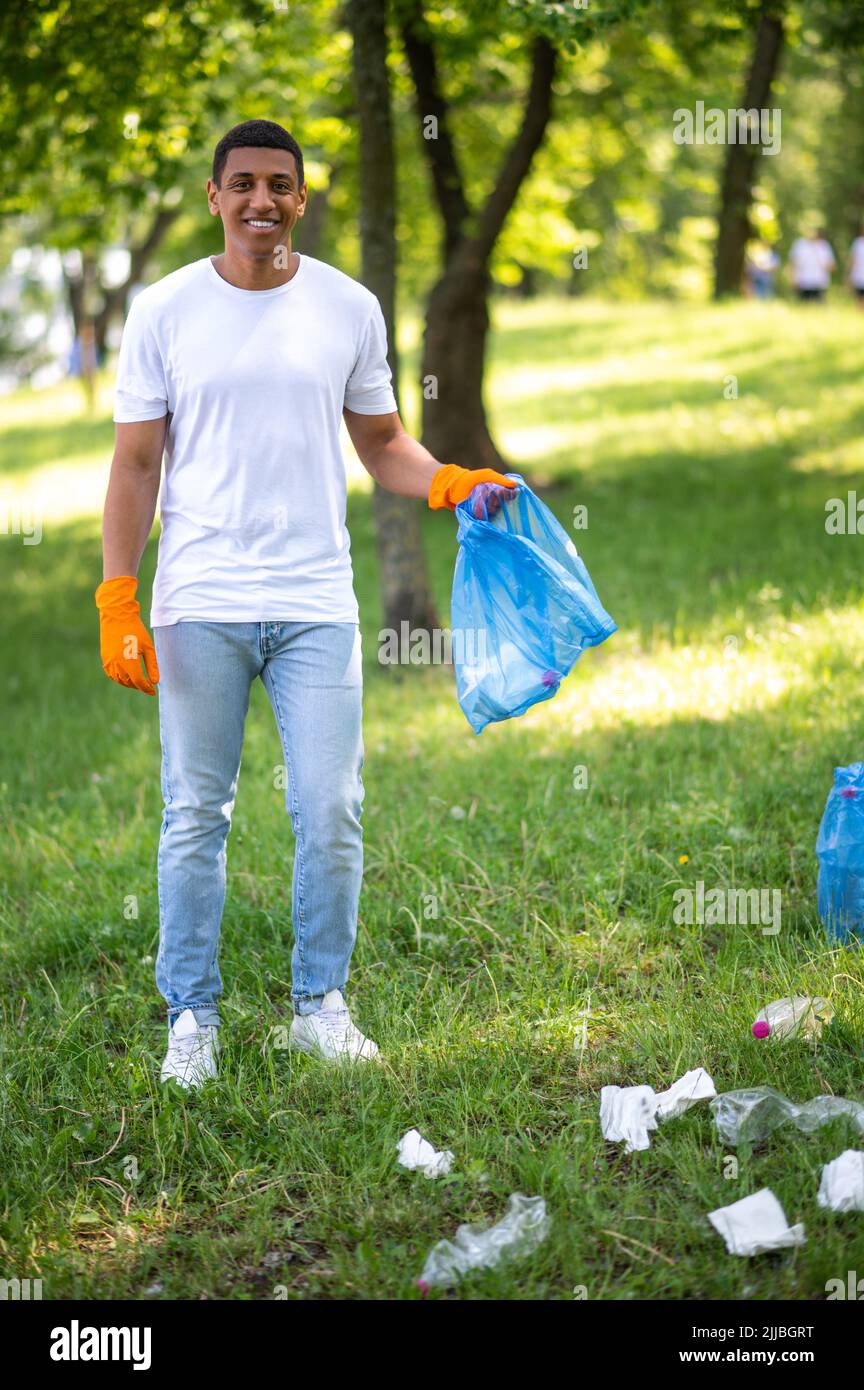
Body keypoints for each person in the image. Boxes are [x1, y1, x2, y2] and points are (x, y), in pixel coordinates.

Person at [94, 119, 516, 1090]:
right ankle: (191, 1014)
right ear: (214, 197)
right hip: (197, 599)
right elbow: (135, 462)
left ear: (301, 198)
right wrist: (120, 593)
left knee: (330, 805)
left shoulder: (348, 307)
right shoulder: (164, 310)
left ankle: (319, 1004)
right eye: (241, 183)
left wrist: (448, 481)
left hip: (315, 601)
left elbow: (381, 444)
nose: (260, 201)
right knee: (197, 811)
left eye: (279, 185)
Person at [788, 226, 836, 302]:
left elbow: (831, 265)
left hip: (819, 283)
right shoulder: (799, 244)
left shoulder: (824, 246)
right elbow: (793, 263)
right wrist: (793, 279)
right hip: (803, 282)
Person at [847, 224, 864, 306]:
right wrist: (849, 274)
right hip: (859, 276)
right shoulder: (857, 243)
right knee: (859, 298)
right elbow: (852, 260)